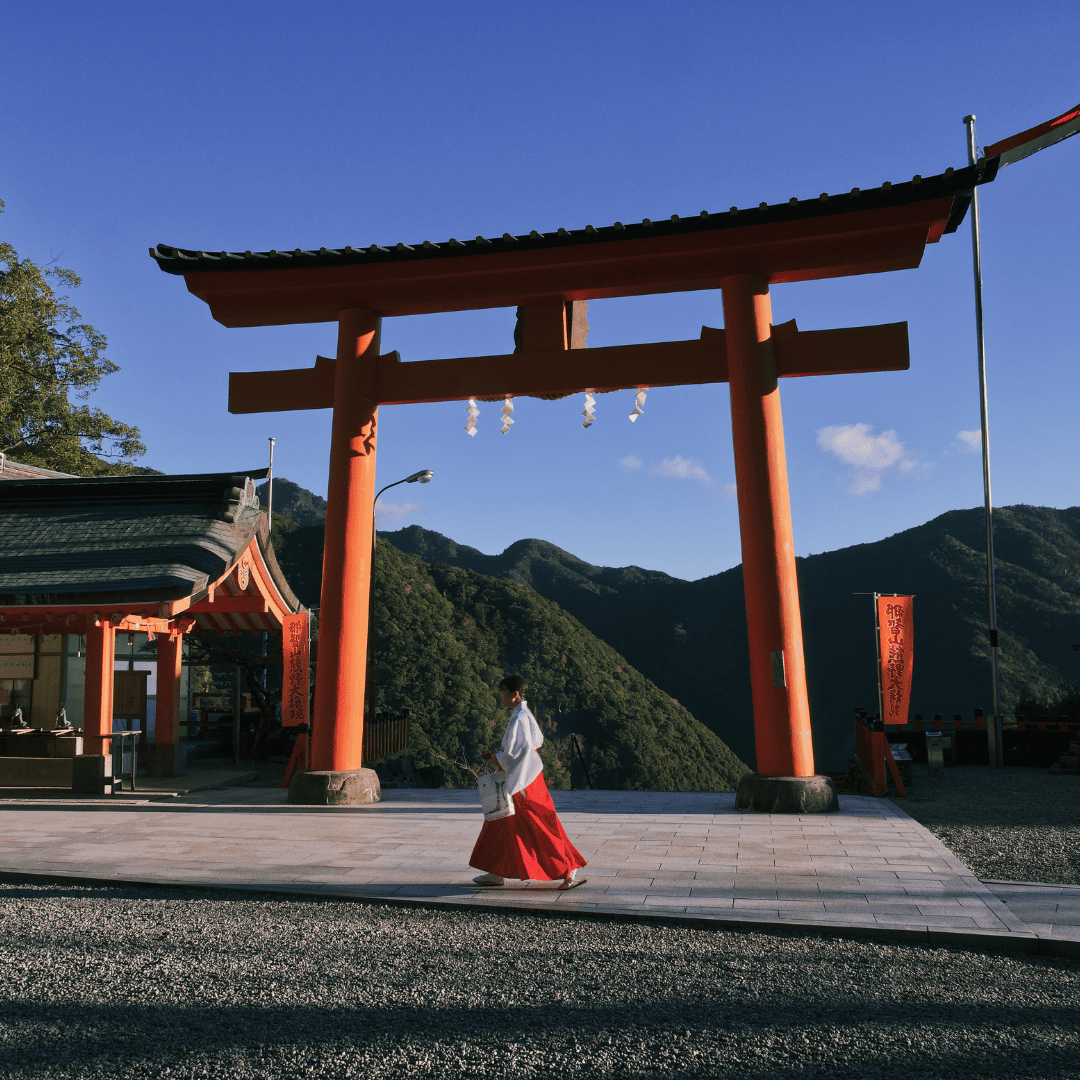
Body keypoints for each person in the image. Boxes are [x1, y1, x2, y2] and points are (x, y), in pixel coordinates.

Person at [470, 675, 587, 890]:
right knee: (501, 821)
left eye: (504, 692)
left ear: (515, 695)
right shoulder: (523, 714)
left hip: (523, 780)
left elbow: (518, 754)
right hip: (526, 776)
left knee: (537, 824)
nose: (501, 696)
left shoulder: (520, 718)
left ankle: (567, 868)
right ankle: (496, 871)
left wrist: (499, 757)